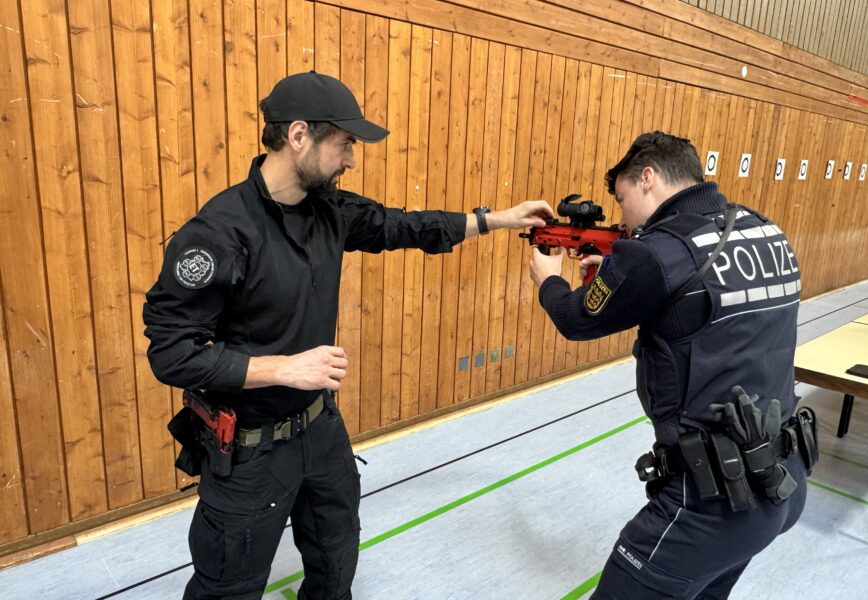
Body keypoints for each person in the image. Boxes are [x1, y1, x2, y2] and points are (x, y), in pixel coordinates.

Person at [143, 70, 552, 600]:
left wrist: (497, 219)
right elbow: (170, 353)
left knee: (336, 563)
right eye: (344, 144)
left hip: (320, 430)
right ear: (298, 137)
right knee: (229, 587)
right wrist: (282, 368)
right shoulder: (217, 233)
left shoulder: (329, 210)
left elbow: (405, 226)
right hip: (248, 454)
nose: (351, 160)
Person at [530, 131, 816, 599]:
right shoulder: (765, 229)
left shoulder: (651, 253)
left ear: (648, 178)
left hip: (708, 504)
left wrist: (548, 280)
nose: (622, 216)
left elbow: (575, 319)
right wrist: (617, 278)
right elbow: (704, 312)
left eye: (622, 199)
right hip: (780, 479)